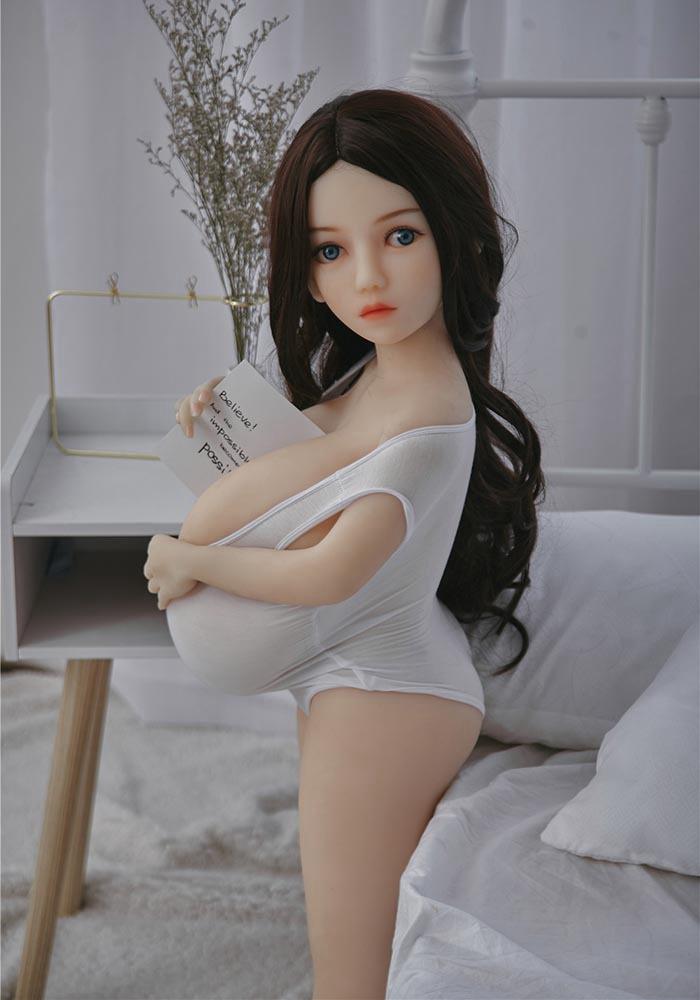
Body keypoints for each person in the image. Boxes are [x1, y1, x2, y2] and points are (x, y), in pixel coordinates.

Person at [143, 87, 545, 999]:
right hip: (351, 677)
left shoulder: (429, 417)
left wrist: (190, 560)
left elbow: (330, 573)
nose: (367, 278)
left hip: (384, 696)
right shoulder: (386, 370)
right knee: (344, 925)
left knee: (350, 968)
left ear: (456, 237)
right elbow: (320, 448)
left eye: (399, 236)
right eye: (331, 250)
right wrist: (220, 421)